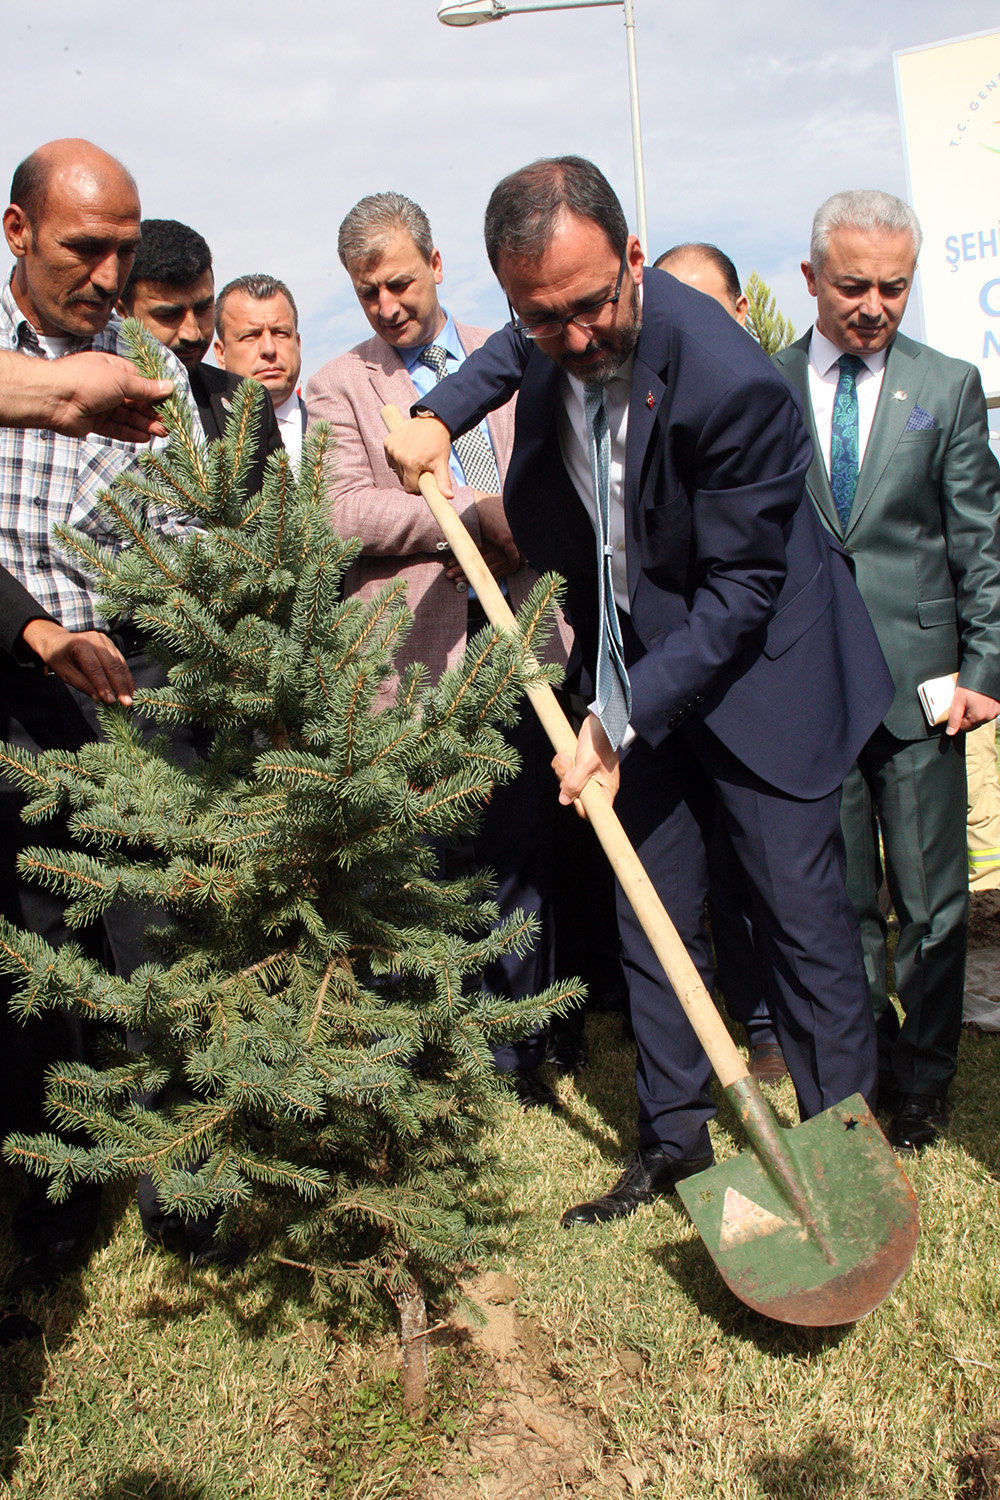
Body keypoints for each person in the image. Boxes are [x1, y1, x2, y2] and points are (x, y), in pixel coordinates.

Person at [385, 156, 893, 1225]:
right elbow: (509, 351)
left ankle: (844, 1162)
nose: (573, 338)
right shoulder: (546, 323)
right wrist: (436, 412)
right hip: (641, 666)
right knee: (650, 908)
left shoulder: (730, 383)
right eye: (542, 317)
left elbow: (740, 594)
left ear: (632, 259)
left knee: (800, 929)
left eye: (590, 306)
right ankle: (671, 1148)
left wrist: (613, 719)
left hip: (764, 672)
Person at [305, 191, 571, 1109]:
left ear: (436, 263)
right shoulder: (340, 385)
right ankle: (430, 1043)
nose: (386, 306)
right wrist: (464, 518)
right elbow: (342, 511)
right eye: (366, 292)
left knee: (523, 849)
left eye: (399, 283)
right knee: (430, 859)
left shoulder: (518, 356)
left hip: (528, 640)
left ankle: (521, 1043)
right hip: (417, 665)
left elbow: (559, 473)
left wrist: (518, 524)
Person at [0, 138, 198, 1319]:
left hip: (136, 684)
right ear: (17, 231)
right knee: (38, 955)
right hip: (16, 686)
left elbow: (195, 529)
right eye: (86, 247)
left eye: (125, 249)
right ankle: (56, 1198)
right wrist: (36, 635)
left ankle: (189, 1189)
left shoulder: (150, 368)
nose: (110, 274)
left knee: (157, 933)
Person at [774, 189, 1000, 1151]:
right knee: (842, 903)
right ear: (811, 277)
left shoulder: (945, 385)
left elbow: (980, 542)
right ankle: (864, 1061)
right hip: (810, 693)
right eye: (854, 286)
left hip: (922, 692)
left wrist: (984, 665)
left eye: (894, 288)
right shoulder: (765, 386)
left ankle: (928, 1078)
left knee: (932, 901)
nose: (874, 306)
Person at [654, 241, 789, 1085]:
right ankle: (726, 1045)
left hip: (768, 673)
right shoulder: (649, 403)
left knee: (772, 871)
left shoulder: (758, 395)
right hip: (679, 673)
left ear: (741, 310)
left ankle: (780, 1021)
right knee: (695, 870)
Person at [118, 219, 282, 490]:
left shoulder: (247, 401)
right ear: (123, 311)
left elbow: (280, 511)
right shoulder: (90, 397)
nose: (192, 333)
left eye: (203, 309)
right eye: (169, 315)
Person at [215, 273, 305, 469]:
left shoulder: (335, 430)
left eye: (280, 333)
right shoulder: (198, 433)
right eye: (251, 336)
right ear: (221, 353)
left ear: (298, 344)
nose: (269, 349)